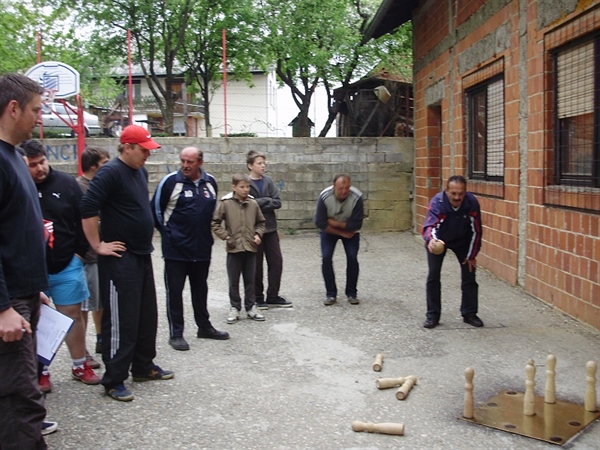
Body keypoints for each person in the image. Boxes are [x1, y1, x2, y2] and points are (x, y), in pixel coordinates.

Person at [80, 125, 173, 402]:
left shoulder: (139, 171)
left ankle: (143, 366)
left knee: (146, 315)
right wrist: (98, 245)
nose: (147, 154)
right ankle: (114, 379)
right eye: (143, 150)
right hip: (120, 259)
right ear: (127, 147)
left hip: (141, 253)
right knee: (122, 319)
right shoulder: (109, 172)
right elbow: (87, 208)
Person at [22, 139, 100, 386]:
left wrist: (79, 254)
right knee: (37, 320)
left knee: (72, 316)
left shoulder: (67, 184)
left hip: (67, 264)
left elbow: (84, 220)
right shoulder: (18, 186)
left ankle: (79, 365)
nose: (39, 168)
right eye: (33, 165)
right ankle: (40, 371)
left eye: (42, 162)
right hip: (33, 269)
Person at [0, 73, 50, 449]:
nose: (39, 117)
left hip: (25, 295)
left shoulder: (15, 156)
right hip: (9, 303)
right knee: (20, 400)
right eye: (35, 109)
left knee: (25, 387)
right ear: (13, 108)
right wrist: (3, 307)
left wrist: (37, 289)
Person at [152, 147, 229, 351]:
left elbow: (210, 212)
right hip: (176, 251)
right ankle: (176, 333)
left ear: (200, 162)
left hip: (202, 249)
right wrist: (169, 235)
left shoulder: (210, 182)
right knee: (175, 291)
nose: (185, 165)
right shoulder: (170, 182)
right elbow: (156, 212)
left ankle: (204, 326)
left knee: (200, 289)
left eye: (190, 162)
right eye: (183, 161)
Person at [421, 175, 483, 329]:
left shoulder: (471, 203)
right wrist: (432, 240)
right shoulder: (438, 203)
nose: (457, 197)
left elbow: (476, 231)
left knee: (469, 274)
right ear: (446, 191)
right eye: (453, 193)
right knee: (433, 276)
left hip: (462, 240)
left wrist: (471, 255)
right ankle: (432, 315)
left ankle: (469, 313)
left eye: (461, 193)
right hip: (439, 240)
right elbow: (430, 225)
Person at [211, 173, 266, 324]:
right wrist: (226, 236)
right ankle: (235, 307)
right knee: (233, 280)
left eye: (247, 187)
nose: (245, 190)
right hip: (234, 248)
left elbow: (261, 222)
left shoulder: (253, 204)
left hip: (250, 247)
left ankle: (251, 307)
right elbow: (215, 222)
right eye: (242, 187)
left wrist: (258, 234)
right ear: (233, 187)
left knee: (250, 279)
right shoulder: (226, 203)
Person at [246, 151, 292, 309]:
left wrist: (260, 202)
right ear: (250, 165)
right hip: (253, 229)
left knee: (276, 261)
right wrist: (267, 201)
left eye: (264, 163)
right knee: (256, 265)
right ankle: (258, 297)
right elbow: (246, 204)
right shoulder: (245, 182)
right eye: (259, 163)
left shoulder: (269, 182)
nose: (263, 166)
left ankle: (273, 295)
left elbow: (277, 202)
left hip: (270, 228)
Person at [76, 147, 110, 358]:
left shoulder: (101, 185)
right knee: (85, 304)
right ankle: (82, 349)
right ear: (92, 166)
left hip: (101, 254)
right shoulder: (80, 187)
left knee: (101, 301)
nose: (108, 166)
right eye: (104, 163)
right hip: (87, 255)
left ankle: (101, 338)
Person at [314, 174, 364, 306]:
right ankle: (331, 294)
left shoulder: (357, 197)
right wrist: (340, 231)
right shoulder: (324, 196)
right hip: (330, 232)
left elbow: (357, 224)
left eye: (347, 188)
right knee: (326, 257)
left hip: (350, 232)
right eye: (341, 188)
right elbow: (320, 223)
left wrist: (335, 223)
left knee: (352, 257)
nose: (344, 191)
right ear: (333, 186)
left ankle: (352, 293)